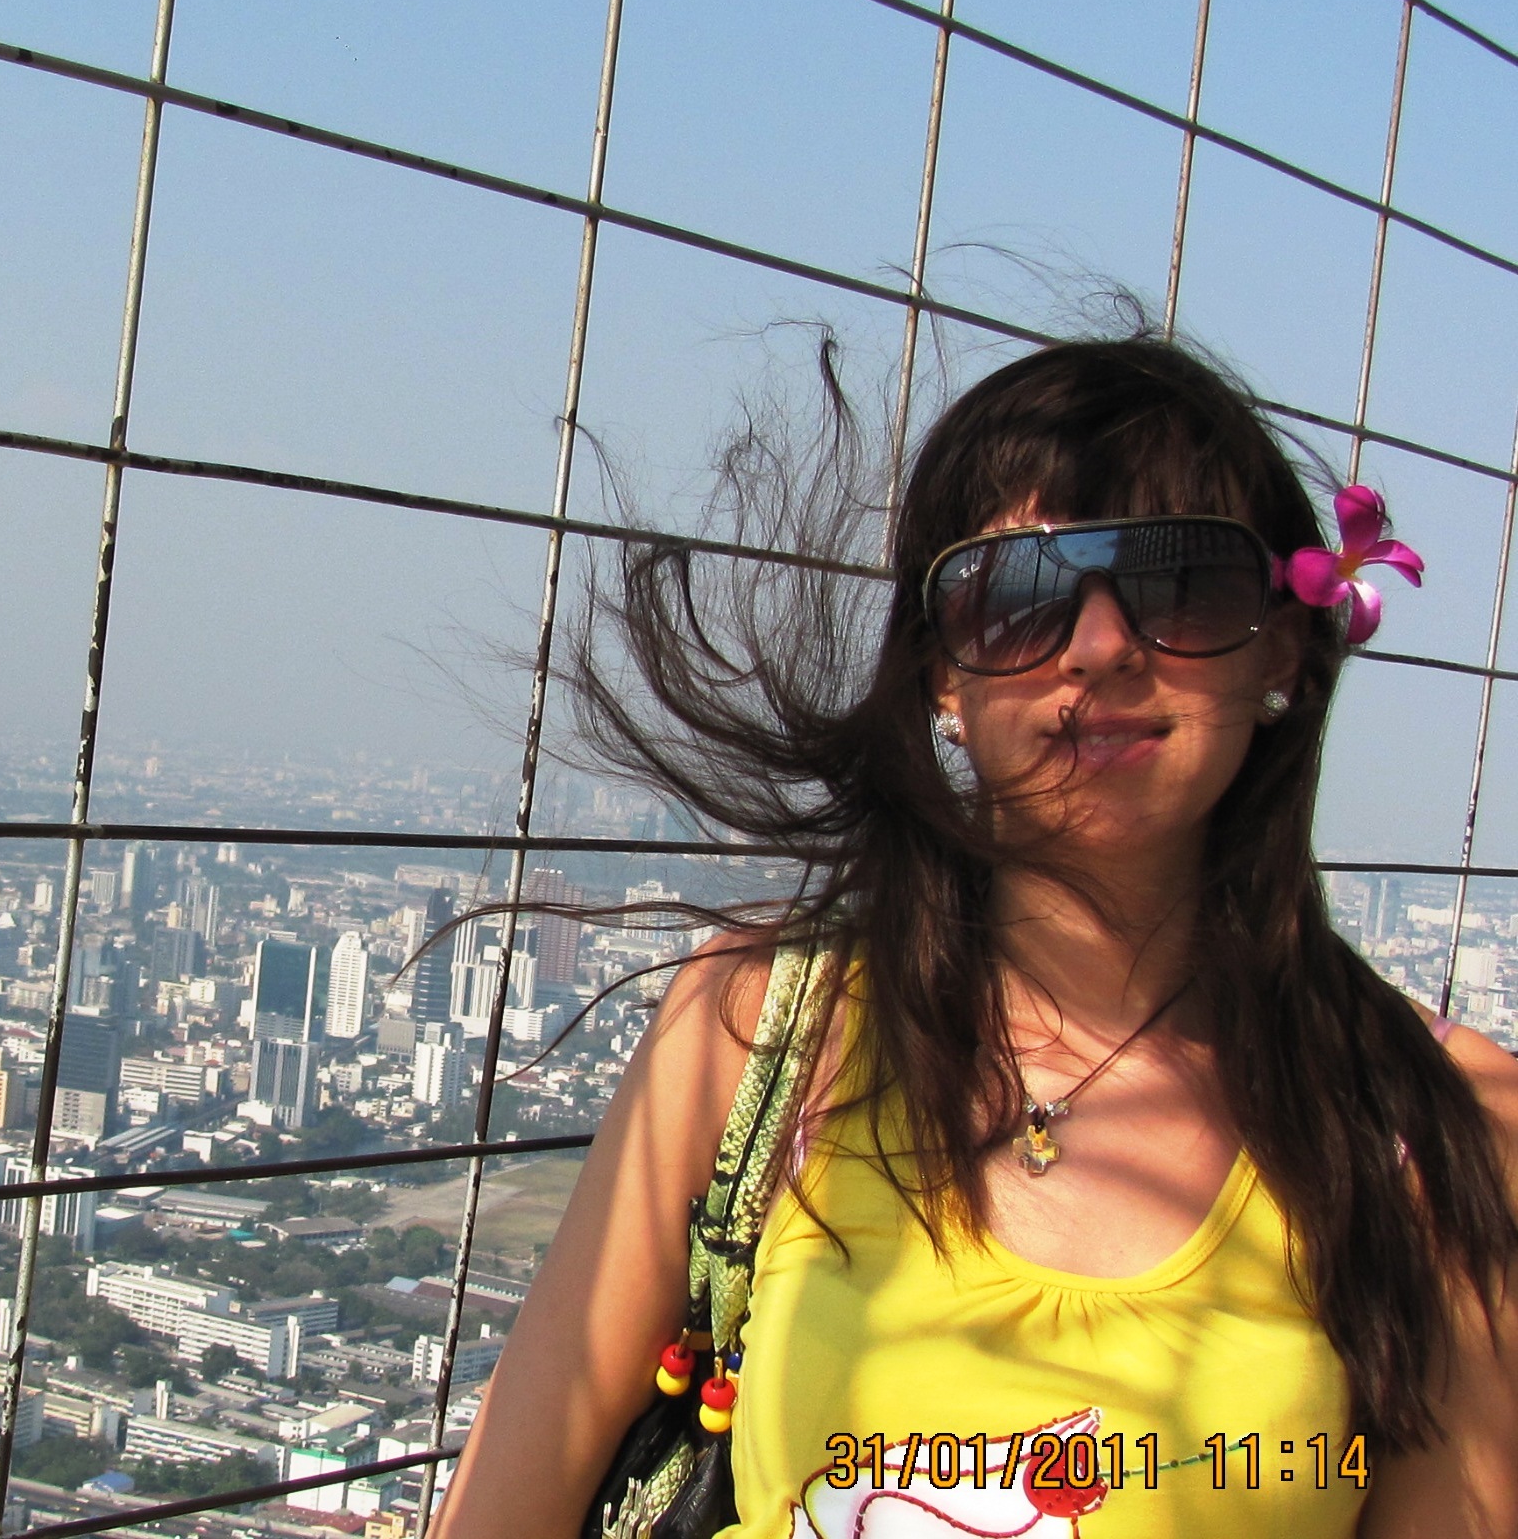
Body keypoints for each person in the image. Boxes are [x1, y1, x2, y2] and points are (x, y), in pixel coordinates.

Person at [430, 335, 1518, 1539]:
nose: (1099, 646)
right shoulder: (767, 1026)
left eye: (1178, 584)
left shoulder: (1447, 1126)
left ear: (1284, 645)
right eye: (1017, 596)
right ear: (942, 674)